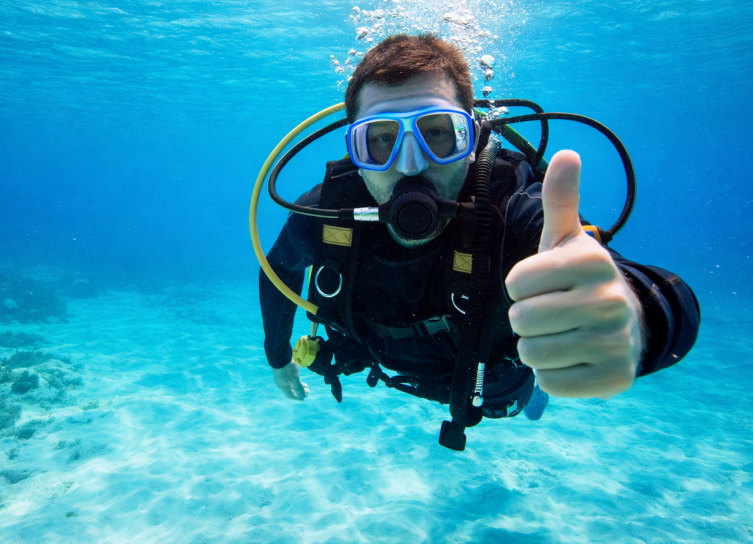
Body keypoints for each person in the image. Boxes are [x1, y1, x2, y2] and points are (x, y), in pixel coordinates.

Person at [259, 33, 699, 436]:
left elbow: (654, 291)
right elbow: (278, 267)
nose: (411, 165)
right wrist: (278, 356)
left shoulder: (509, 206)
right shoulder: (329, 212)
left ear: (470, 138)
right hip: (385, 364)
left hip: (495, 390)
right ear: (355, 152)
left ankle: (536, 394)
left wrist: (637, 317)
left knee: (525, 398)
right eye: (380, 140)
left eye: (437, 134)